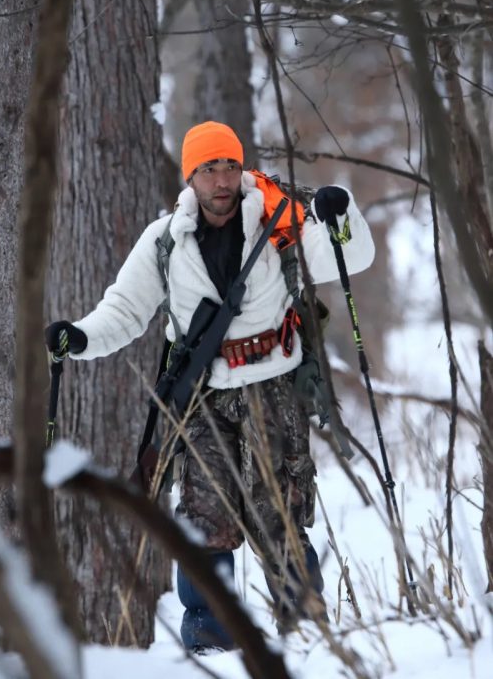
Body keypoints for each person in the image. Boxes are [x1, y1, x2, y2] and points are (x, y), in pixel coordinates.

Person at [46, 121, 375, 652]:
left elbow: (350, 256)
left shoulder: (279, 220)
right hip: (201, 398)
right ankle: (209, 641)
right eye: (208, 169)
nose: (221, 180)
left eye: (228, 166)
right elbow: (125, 311)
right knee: (203, 521)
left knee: (281, 520)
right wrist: (77, 338)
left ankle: (310, 642)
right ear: (190, 176)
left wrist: (342, 212)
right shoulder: (164, 240)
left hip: (273, 389)